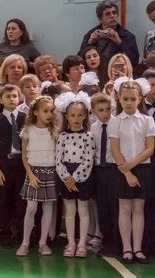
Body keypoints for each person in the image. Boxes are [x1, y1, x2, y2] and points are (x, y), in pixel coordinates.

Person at [109, 78, 155, 264]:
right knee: (125, 208)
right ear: (119, 98)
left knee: (138, 208)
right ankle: (126, 248)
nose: (128, 102)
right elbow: (114, 148)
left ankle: (138, 248)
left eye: (132, 99)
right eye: (125, 99)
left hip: (142, 168)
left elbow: (150, 147)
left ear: (139, 99)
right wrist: (127, 172)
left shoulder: (147, 120)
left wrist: (132, 165)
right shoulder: (115, 121)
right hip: (122, 170)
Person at [54, 92, 94, 258]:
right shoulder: (62, 136)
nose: (76, 118)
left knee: (83, 210)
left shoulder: (88, 136)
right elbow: (58, 159)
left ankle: (82, 244)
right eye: (72, 115)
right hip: (66, 176)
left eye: (80, 115)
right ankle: (71, 243)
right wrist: (66, 178)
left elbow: (88, 159)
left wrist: (75, 178)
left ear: (85, 116)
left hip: (82, 176)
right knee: (69, 211)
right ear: (66, 116)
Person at [16, 96, 57, 257]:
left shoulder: (54, 130)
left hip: (50, 171)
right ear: (36, 112)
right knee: (31, 208)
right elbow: (24, 155)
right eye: (45, 111)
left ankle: (43, 242)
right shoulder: (28, 130)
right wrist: (30, 175)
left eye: (51, 111)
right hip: (33, 172)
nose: (49, 114)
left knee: (48, 208)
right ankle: (25, 242)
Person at [0, 84, 26, 249]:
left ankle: (21, 231)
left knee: (21, 200)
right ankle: (5, 232)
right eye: (8, 96)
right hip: (4, 163)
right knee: (3, 199)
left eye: (14, 96)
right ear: (0, 100)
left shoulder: (25, 117)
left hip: (22, 164)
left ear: (19, 98)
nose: (12, 99)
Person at [90, 93, 120, 257]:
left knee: (115, 206)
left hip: (114, 168)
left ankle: (118, 242)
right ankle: (106, 241)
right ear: (93, 111)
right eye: (100, 110)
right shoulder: (93, 127)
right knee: (102, 207)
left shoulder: (117, 124)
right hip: (99, 170)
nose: (105, 113)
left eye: (108, 109)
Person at [79, 0, 139, 66]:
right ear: (100, 19)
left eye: (114, 12)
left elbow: (134, 61)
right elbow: (79, 61)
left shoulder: (127, 36)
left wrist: (119, 42)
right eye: (108, 14)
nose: (112, 16)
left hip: (117, 72)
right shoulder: (90, 35)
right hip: (97, 73)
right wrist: (89, 43)